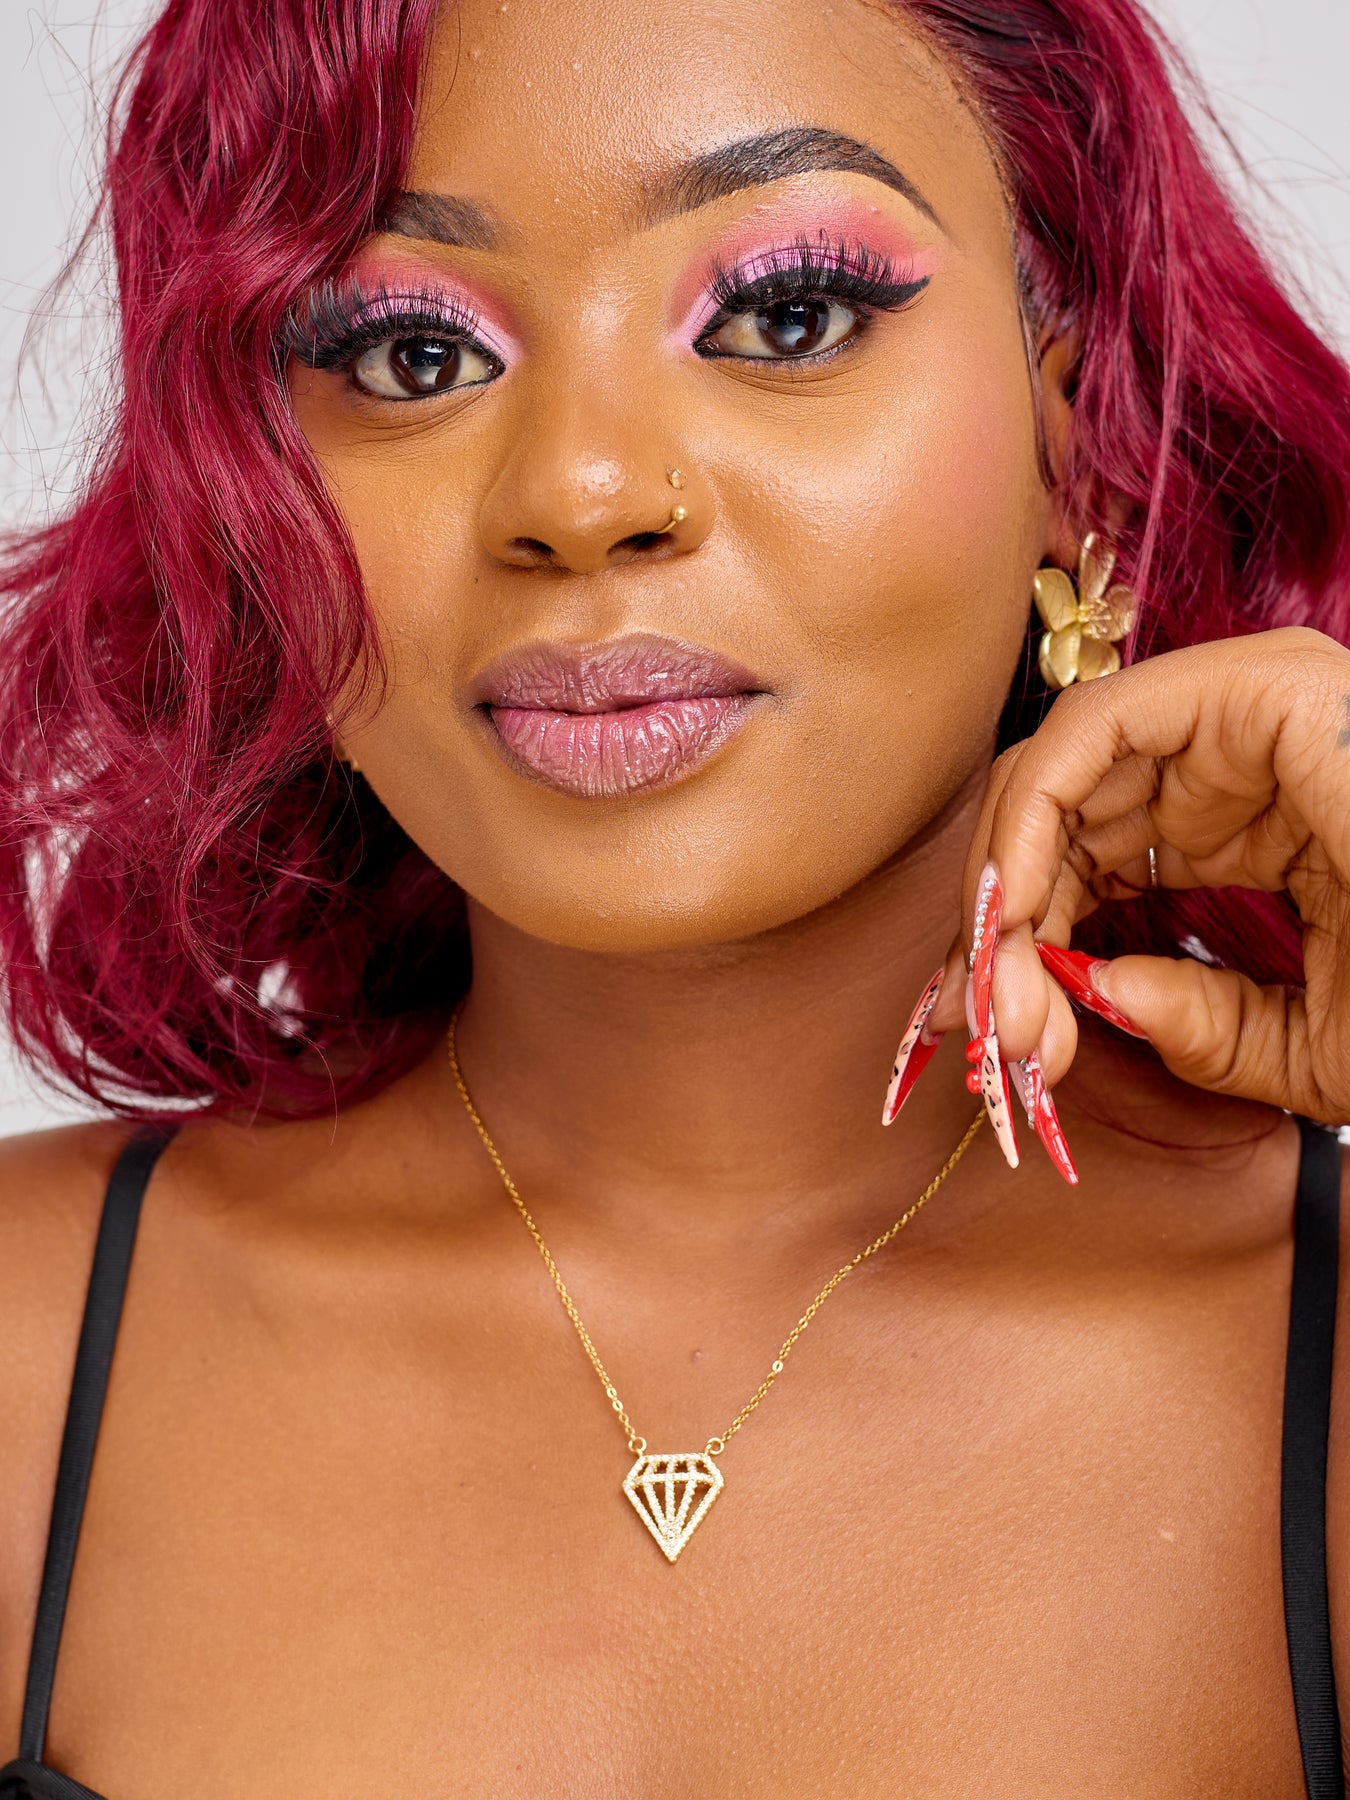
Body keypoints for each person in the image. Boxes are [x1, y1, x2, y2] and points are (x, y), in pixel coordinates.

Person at [1, 0, 1349, 1791]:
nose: (581, 493)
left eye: (785, 317)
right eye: (411, 351)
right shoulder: (25, 1347)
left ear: (1079, 427)